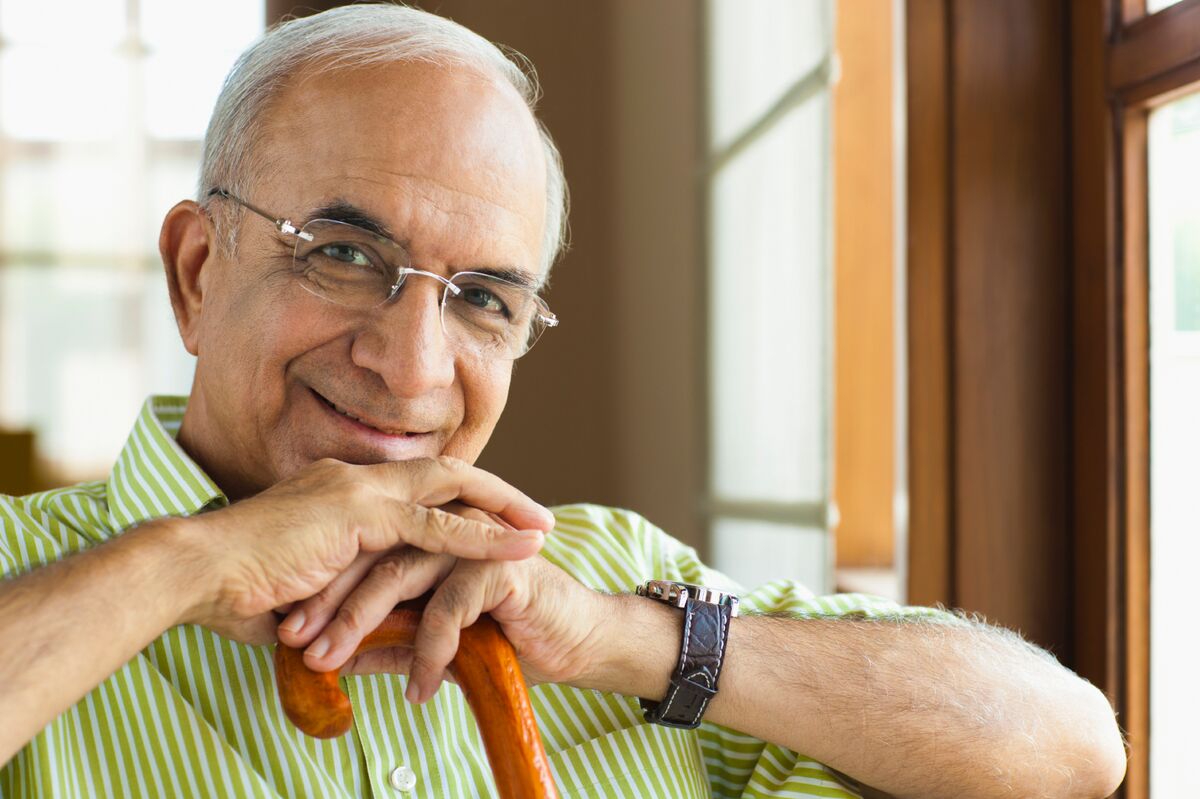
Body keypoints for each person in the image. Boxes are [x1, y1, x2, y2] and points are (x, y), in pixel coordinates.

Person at [0, 6, 1125, 798]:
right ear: (199, 271)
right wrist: (185, 565)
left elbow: (1068, 751)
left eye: (484, 297)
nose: (411, 363)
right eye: (342, 253)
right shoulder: (27, 573)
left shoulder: (608, 576)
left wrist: (623, 637)